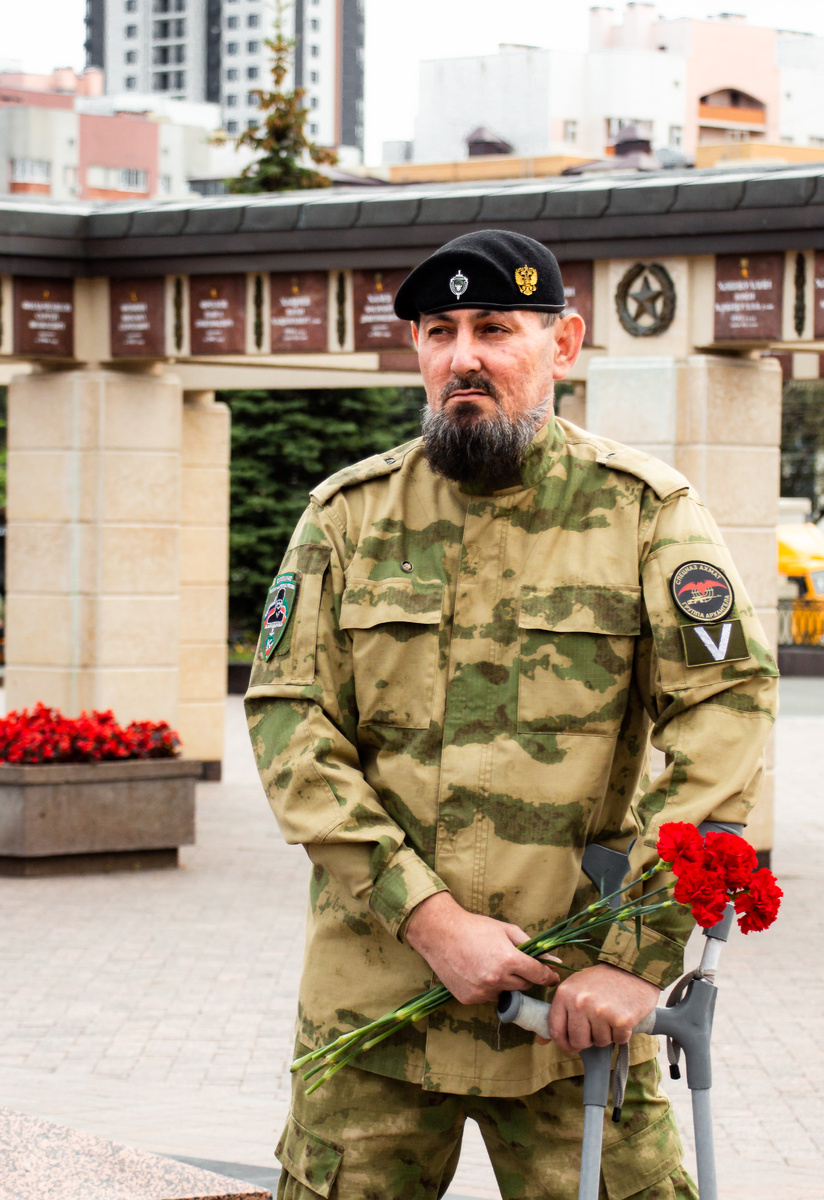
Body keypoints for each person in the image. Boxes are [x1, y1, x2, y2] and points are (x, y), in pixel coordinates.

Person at [246, 230, 778, 1199]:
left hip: (569, 1015)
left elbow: (726, 723)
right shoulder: (346, 518)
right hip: (379, 1004)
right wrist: (428, 918)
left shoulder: (644, 515)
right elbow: (290, 722)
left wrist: (632, 961)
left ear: (562, 344)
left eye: (494, 328)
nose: (463, 357)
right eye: (437, 331)